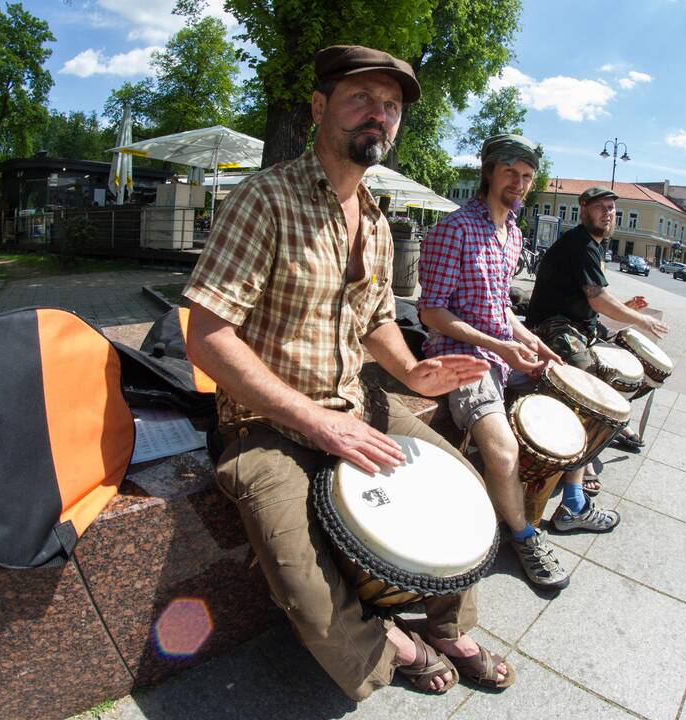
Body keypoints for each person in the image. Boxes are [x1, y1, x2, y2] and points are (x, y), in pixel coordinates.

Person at [181, 45, 513, 700]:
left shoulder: (380, 223)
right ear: (319, 106)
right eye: (362, 98)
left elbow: (375, 320)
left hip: (355, 400)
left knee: (464, 485)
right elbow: (206, 337)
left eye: (390, 107)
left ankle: (447, 624)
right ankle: (385, 643)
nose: (379, 115)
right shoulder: (265, 200)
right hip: (268, 424)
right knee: (303, 585)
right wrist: (317, 423)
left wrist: (415, 374)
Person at [417, 133, 585, 590]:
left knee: (572, 407)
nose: (519, 182)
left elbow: (500, 309)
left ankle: (573, 498)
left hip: (500, 351)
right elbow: (430, 310)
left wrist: (533, 343)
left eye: (528, 176)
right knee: (505, 448)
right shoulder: (454, 230)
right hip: (462, 357)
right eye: (511, 171)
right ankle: (524, 536)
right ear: (489, 171)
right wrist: (500, 345)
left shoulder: (511, 233)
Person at [525, 186, 670, 487]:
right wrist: (640, 318)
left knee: (626, 360)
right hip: (552, 324)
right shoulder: (580, 243)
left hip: (578, 323)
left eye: (611, 209)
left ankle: (610, 424)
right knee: (585, 370)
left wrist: (626, 309)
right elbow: (598, 299)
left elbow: (592, 298)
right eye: (600, 207)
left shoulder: (594, 245)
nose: (608, 213)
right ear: (584, 208)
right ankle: (579, 453)